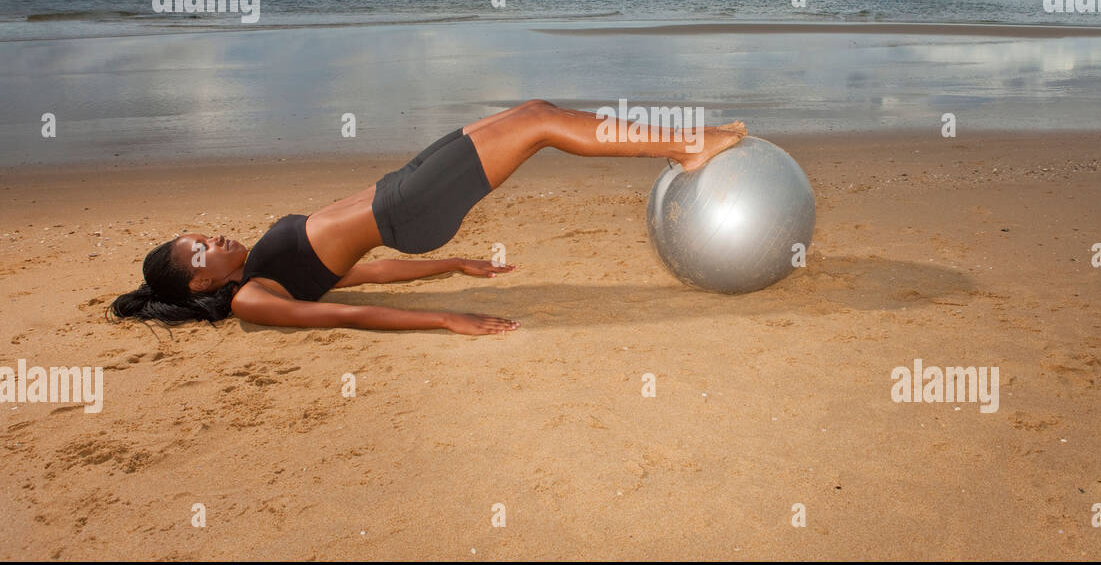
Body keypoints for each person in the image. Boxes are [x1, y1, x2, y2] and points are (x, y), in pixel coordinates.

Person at [109, 100, 745, 335]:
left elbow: (368, 278)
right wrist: (445, 317)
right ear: (200, 284)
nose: (212, 238)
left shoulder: (264, 267)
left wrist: (452, 265)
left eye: (201, 234)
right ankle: (686, 141)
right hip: (408, 208)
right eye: (200, 252)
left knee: (529, 110)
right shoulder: (252, 298)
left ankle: (685, 137)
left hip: (403, 188)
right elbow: (340, 314)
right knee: (540, 124)